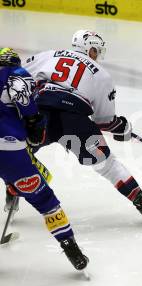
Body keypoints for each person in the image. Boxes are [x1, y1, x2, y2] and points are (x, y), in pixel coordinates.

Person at [21, 30, 142, 222]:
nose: (97, 56)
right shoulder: (102, 75)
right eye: (96, 51)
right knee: (108, 166)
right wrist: (123, 128)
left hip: (39, 116)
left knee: (16, 154)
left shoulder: (48, 55)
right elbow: (105, 121)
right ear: (90, 48)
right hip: (74, 123)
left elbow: (18, 79)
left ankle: (12, 195)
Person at [0, 48, 88, 270]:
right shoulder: (16, 73)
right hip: (10, 150)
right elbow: (30, 112)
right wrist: (35, 128)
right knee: (45, 201)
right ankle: (70, 247)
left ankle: (12, 192)